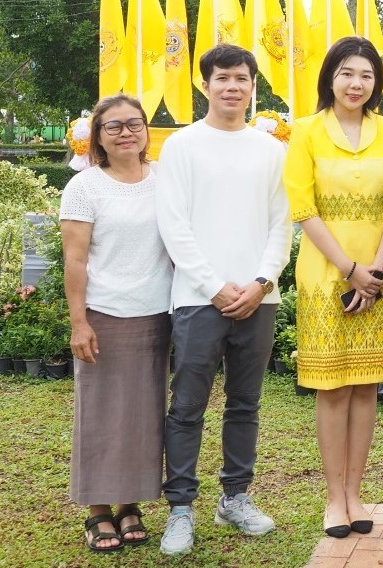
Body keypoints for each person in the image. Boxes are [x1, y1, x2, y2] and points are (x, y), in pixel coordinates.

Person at [154, 44, 292, 555]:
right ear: (205, 84)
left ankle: (235, 496)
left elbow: (283, 223)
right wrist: (213, 286)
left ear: (253, 86)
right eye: (223, 78)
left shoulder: (271, 150)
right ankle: (181, 509)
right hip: (196, 298)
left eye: (242, 78)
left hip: (260, 299)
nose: (233, 86)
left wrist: (261, 282)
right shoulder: (183, 146)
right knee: (187, 405)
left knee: (245, 404)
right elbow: (174, 225)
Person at [283, 37, 383, 539]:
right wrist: (349, 267)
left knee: (366, 387)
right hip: (325, 275)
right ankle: (334, 498)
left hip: (377, 275)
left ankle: (356, 492)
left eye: (366, 75)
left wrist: (374, 274)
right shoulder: (306, 131)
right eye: (347, 73)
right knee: (333, 388)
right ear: (329, 78)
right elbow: (303, 208)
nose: (356, 84)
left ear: (376, 83)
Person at [61, 94, 173, 553]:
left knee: (144, 415)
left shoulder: (165, 180)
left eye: (134, 123)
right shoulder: (85, 187)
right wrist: (79, 322)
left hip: (158, 313)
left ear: (146, 130)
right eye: (114, 126)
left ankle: (129, 506)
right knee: (101, 413)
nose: (126, 132)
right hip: (104, 315)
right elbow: (75, 259)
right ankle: (97, 511)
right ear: (99, 137)